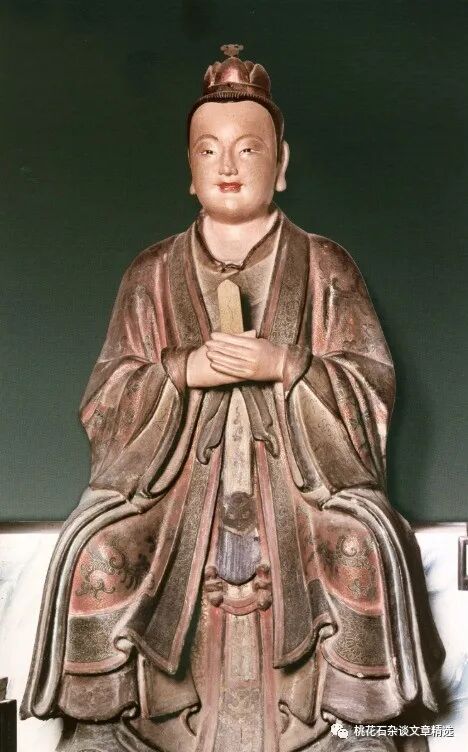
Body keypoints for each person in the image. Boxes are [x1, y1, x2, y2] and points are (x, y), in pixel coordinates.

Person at [21, 45, 444, 752]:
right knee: (99, 550)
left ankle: (360, 726)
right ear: (189, 171)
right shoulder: (151, 273)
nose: (228, 165)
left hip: (301, 486)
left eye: (249, 149)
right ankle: (102, 726)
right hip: (174, 490)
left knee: (358, 546)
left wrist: (286, 364)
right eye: (209, 150)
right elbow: (105, 398)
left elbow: (370, 385)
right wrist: (181, 372)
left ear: (281, 164)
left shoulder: (325, 264)